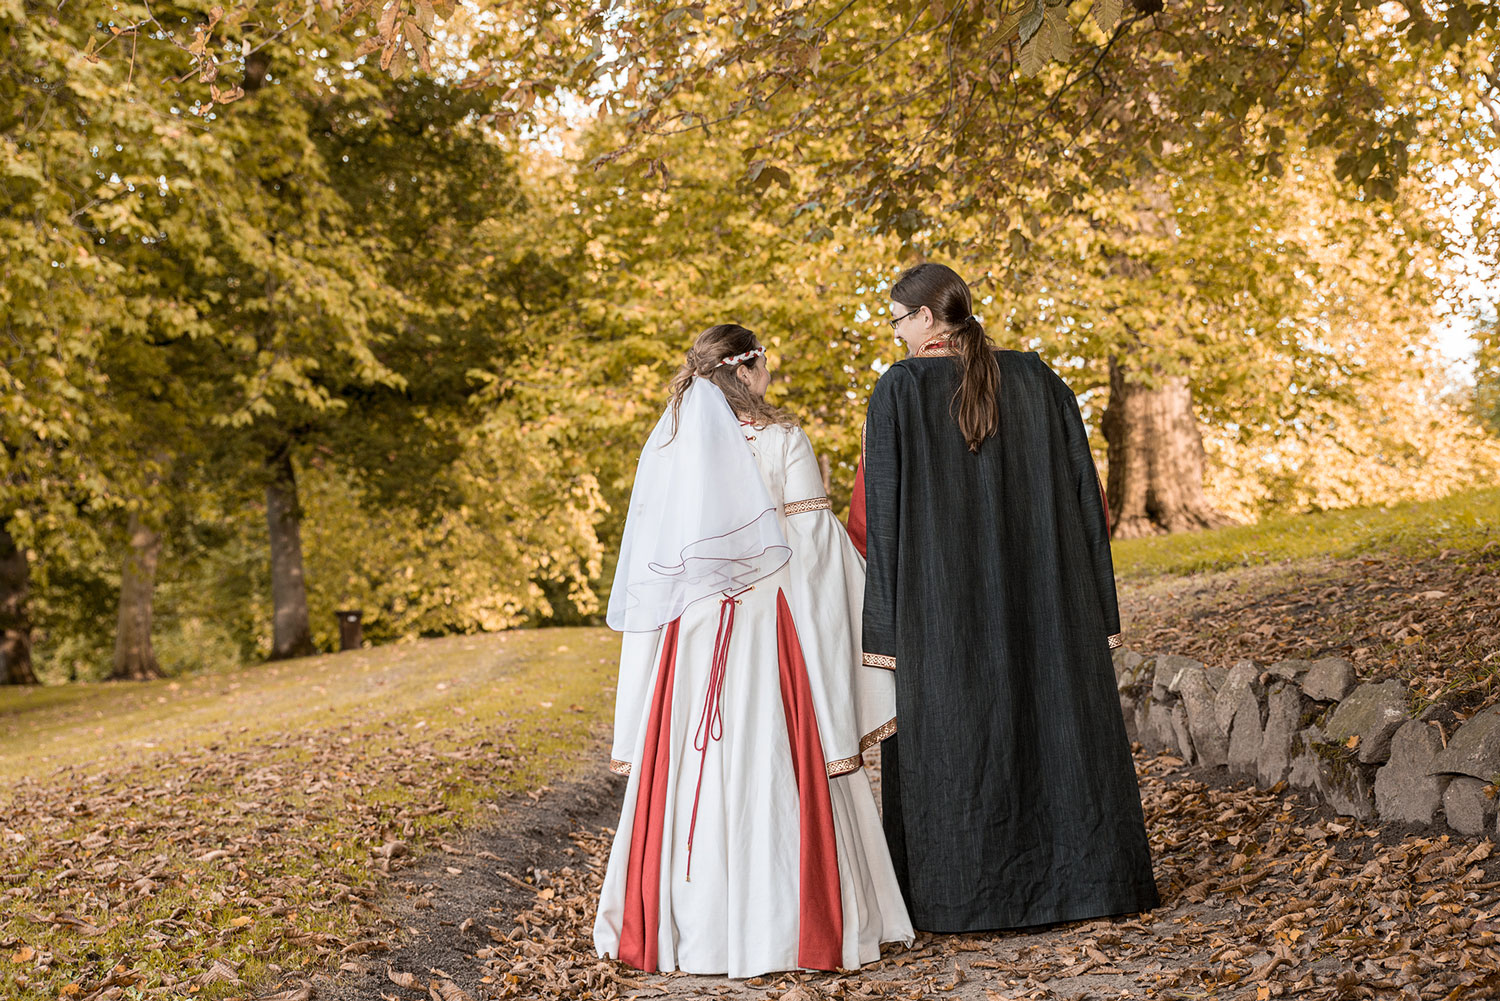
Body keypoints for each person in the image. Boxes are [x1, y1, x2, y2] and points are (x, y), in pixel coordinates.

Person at [847, 263, 1159, 934]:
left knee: (958, 741)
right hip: (1046, 605)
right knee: (1054, 726)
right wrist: (1089, 605)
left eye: (899, 319)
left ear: (927, 319)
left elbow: (879, 523)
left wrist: (885, 629)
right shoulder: (1040, 380)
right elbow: (1088, 502)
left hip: (941, 615)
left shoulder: (899, 390)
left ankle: (958, 895)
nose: (898, 334)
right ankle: (1085, 882)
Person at [594, 323, 913, 977]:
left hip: (695, 632)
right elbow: (815, 552)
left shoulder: (674, 443)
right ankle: (788, 927)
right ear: (747, 369)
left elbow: (655, 557)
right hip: (770, 627)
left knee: (696, 767)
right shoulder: (782, 438)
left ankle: (688, 930)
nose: (767, 373)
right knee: (775, 758)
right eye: (762, 362)